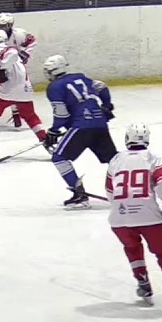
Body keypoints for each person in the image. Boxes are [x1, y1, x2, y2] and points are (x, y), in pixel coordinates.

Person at [104, 122, 162, 315]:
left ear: (127, 139)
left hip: (119, 219)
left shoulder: (115, 160)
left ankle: (143, 283)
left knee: (132, 247)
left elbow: (109, 191)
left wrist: (122, 206)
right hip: (149, 217)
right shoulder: (153, 158)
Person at [41, 54, 117, 208]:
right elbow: (102, 87)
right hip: (100, 123)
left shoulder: (55, 87)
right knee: (114, 160)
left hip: (81, 126)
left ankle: (79, 195)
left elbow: (61, 115)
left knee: (59, 157)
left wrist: (53, 131)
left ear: (52, 72)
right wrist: (106, 105)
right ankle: (131, 188)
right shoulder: (81, 77)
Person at [0, 30, 46, 159]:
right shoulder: (4, 50)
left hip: (9, 89)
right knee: (30, 116)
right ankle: (46, 140)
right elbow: (11, 62)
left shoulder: (0, 47)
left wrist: (2, 68)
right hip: (25, 88)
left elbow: (12, 54)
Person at [0, 13, 37, 128]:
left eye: (3, 25)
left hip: (17, 65)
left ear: (10, 25)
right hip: (4, 65)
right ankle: (14, 113)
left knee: (17, 87)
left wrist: (25, 53)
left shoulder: (19, 34)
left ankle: (16, 114)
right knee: (6, 88)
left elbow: (32, 41)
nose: (0, 28)